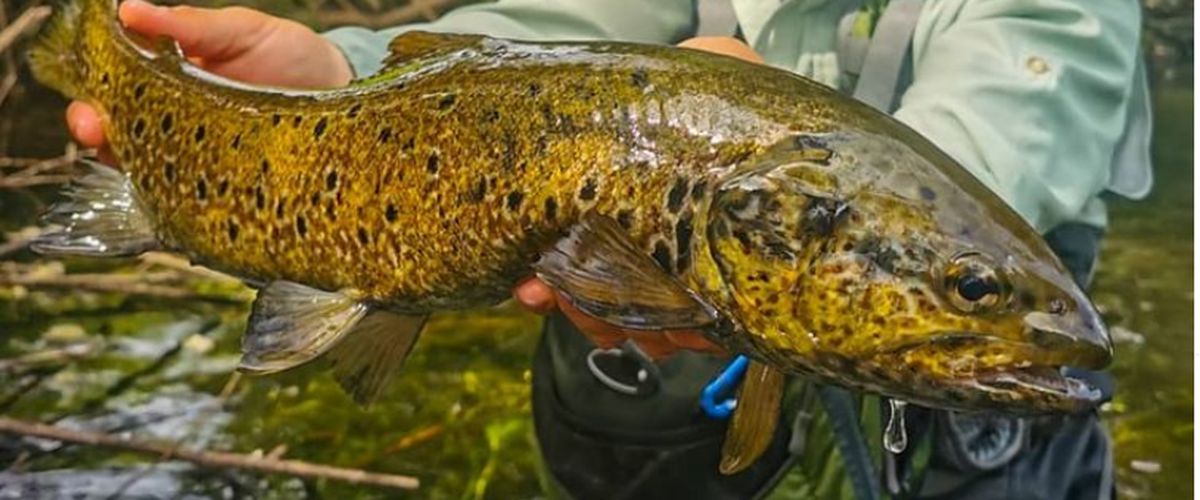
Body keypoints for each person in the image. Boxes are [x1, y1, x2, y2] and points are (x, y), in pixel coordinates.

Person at [66, 0, 1148, 498]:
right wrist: (349, 78)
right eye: (967, 291)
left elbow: (1005, 126)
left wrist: (731, 150)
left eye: (968, 289)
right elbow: (548, 27)